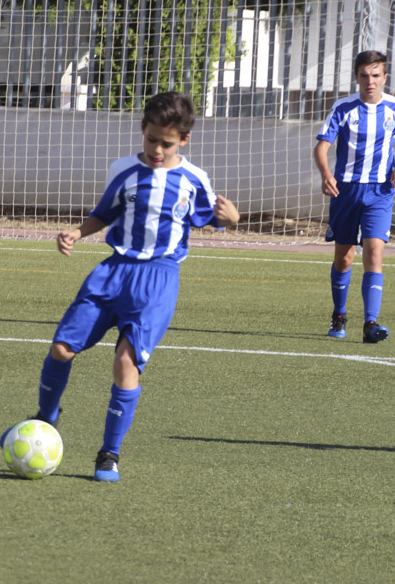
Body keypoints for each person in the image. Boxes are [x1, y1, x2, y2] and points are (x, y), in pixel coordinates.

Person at [13, 91, 240, 482]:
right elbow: (104, 213)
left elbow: (214, 217)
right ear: (142, 131)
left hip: (158, 278)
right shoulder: (122, 170)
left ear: (183, 140)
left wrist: (233, 217)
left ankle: (108, 454)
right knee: (61, 349)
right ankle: (47, 417)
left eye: (166, 143)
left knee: (125, 364)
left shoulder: (194, 179)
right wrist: (76, 232)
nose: (156, 149)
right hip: (112, 272)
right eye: (151, 139)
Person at [313, 50, 395, 343]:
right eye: (364, 76)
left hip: (380, 191)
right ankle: (339, 313)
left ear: (385, 77)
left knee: (374, 251)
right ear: (356, 77)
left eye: (375, 75)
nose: (370, 81)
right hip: (346, 190)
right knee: (344, 258)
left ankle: (371, 323)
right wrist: (325, 174)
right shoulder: (343, 108)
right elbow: (321, 147)